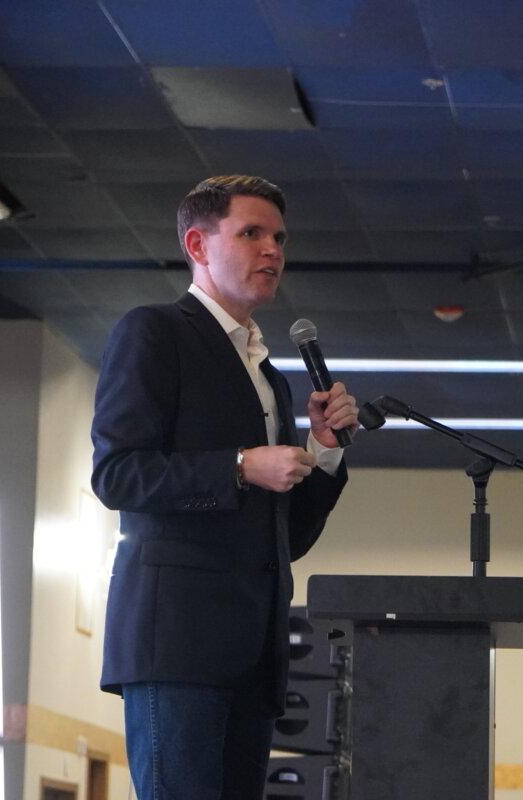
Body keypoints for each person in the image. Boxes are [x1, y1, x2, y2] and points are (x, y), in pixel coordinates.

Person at [90, 175, 358, 799]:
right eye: (251, 233)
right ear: (198, 244)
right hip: (177, 641)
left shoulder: (270, 379)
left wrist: (321, 450)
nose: (272, 250)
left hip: (255, 650)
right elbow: (117, 472)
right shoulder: (155, 332)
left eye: (279, 238)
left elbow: (283, 537)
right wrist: (240, 465)